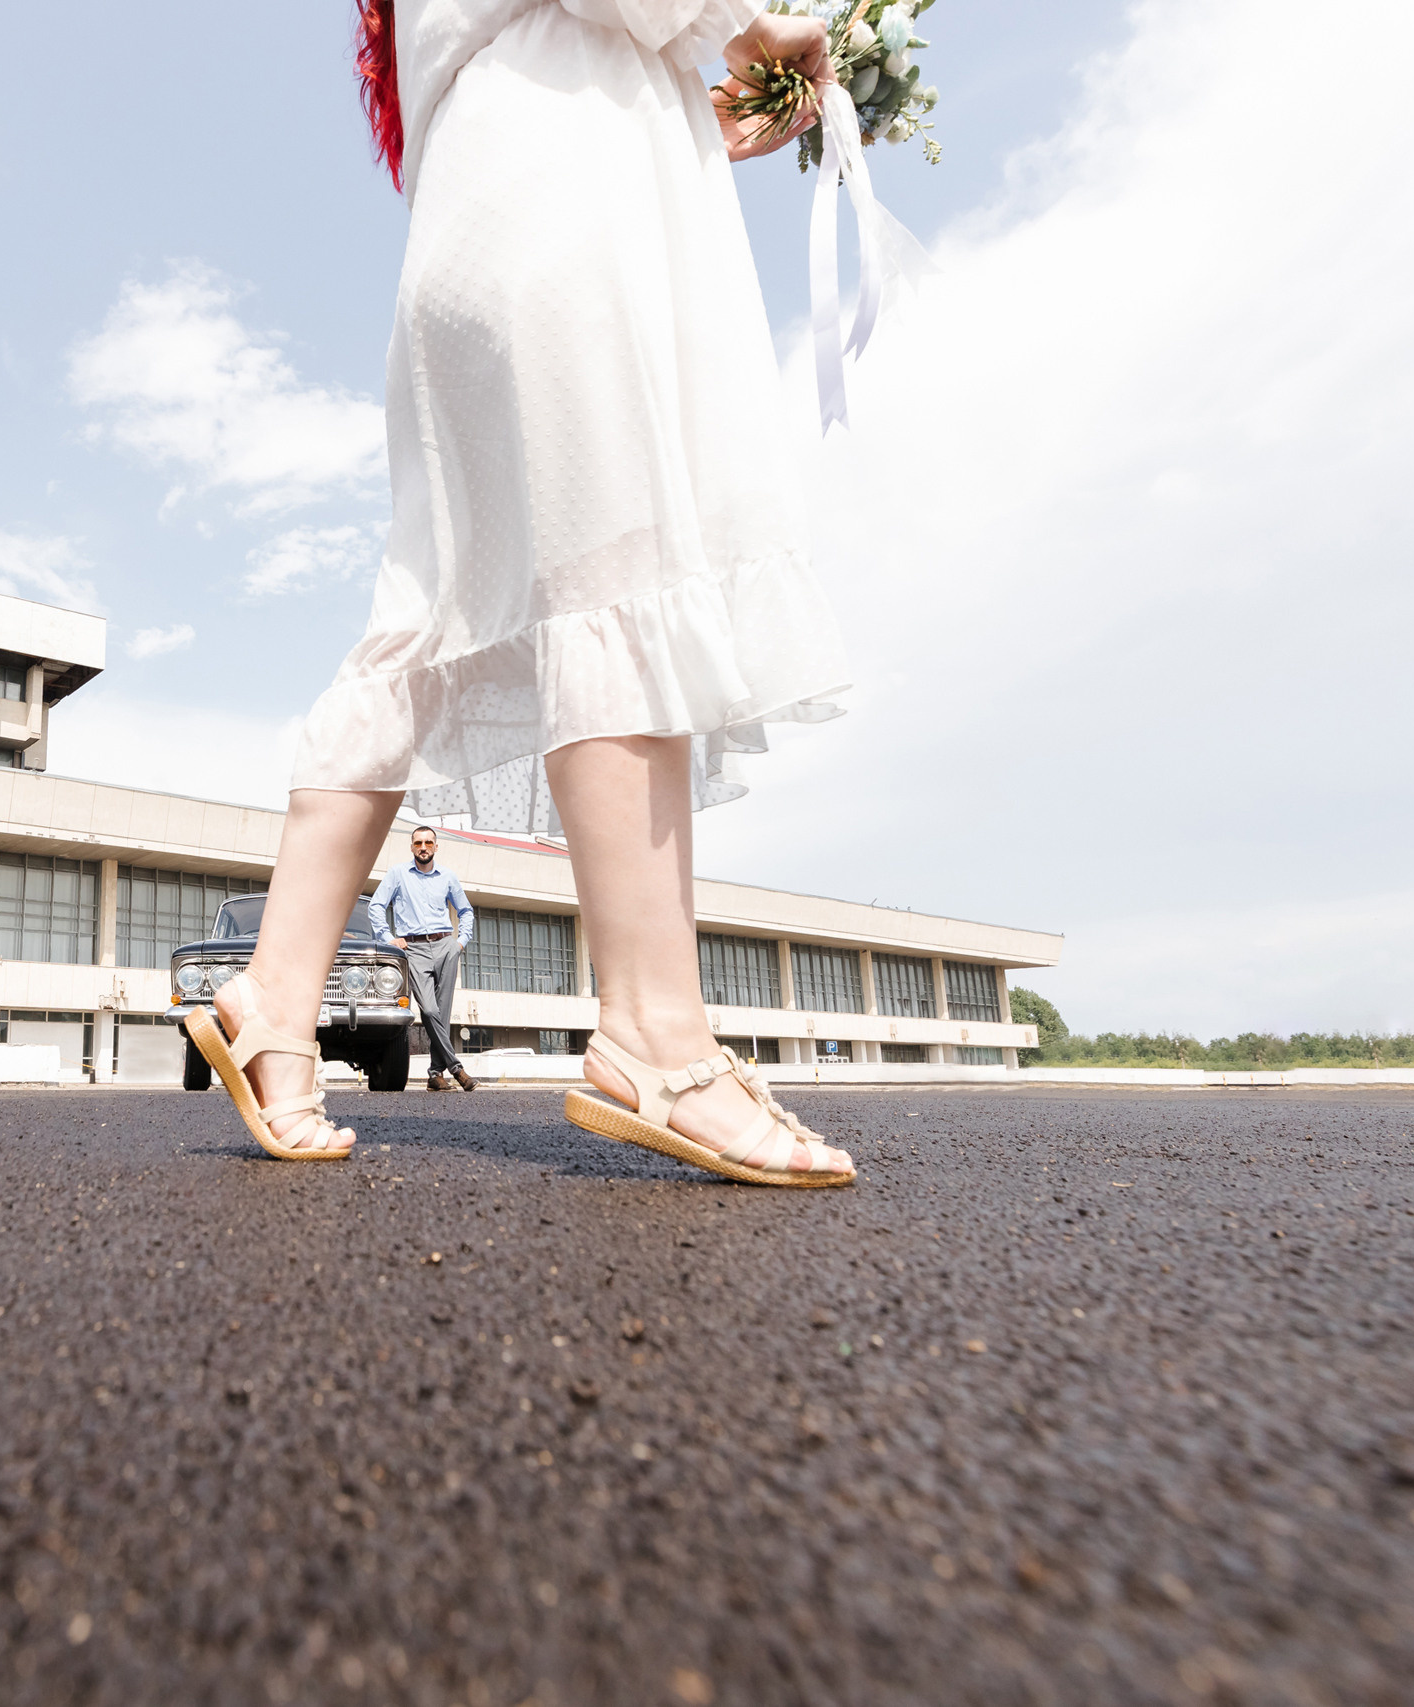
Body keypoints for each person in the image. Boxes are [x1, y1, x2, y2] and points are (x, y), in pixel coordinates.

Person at [183, 0, 857, 1185]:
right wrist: (755, 24)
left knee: (431, 608)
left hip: (487, 185)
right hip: (560, 180)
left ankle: (274, 994)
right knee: (614, 559)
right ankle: (654, 1029)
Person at [369, 825, 482, 1093]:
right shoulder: (398, 874)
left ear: (435, 847)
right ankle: (456, 1068)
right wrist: (388, 937)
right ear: (411, 847)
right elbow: (376, 906)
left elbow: (466, 911)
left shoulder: (448, 877)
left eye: (428, 843)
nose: (423, 847)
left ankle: (435, 1074)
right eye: (418, 843)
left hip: (446, 946)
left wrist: (460, 942)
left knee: (441, 1015)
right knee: (429, 1010)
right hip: (414, 948)